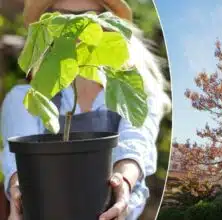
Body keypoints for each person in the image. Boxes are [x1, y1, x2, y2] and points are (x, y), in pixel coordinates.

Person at [0, 0, 171, 219]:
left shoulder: (132, 93)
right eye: (60, 15)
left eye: (88, 15)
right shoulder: (25, 98)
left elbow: (134, 145)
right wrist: (19, 190)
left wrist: (123, 183)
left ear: (108, 25)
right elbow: (19, 161)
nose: (75, 24)